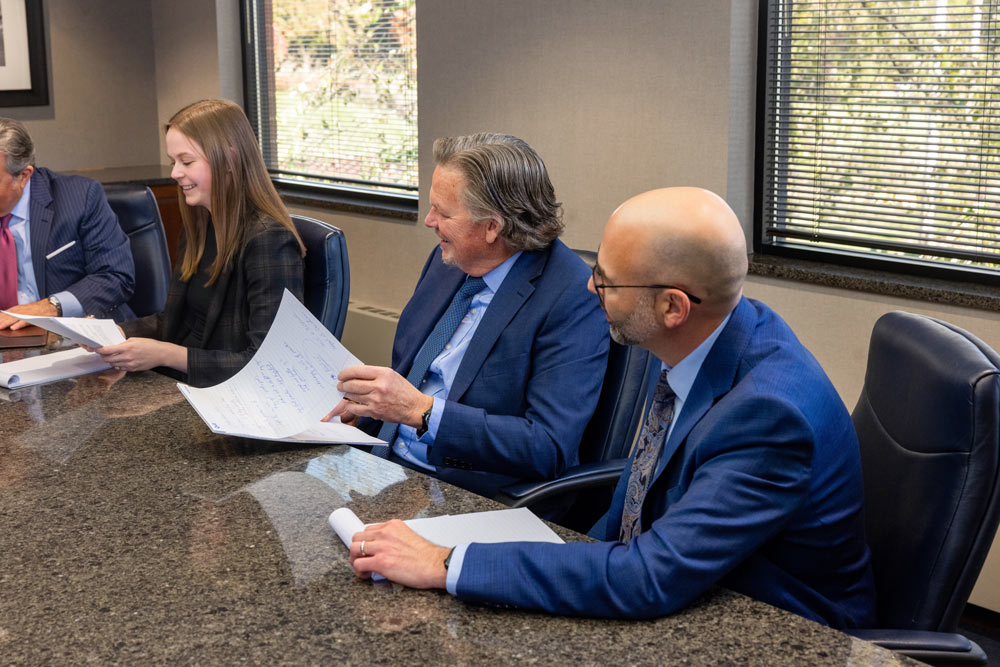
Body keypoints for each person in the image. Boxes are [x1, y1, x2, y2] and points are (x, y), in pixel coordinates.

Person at [344, 187, 877, 629]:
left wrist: (444, 562)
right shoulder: (709, 337)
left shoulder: (768, 415)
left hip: (775, 631)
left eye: (608, 278)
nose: (590, 286)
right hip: (697, 584)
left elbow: (650, 577)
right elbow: (636, 513)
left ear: (673, 306)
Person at [326, 133, 609, 499]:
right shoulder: (450, 260)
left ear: (493, 226)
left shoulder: (571, 296)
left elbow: (547, 446)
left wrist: (422, 412)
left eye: (443, 213)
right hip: (386, 467)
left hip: (467, 492)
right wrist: (370, 406)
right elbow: (417, 375)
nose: (429, 221)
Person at [94, 99, 306, 388]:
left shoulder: (269, 239)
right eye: (173, 161)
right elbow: (175, 320)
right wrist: (117, 331)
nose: (174, 173)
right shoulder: (200, 225)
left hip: (226, 395)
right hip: (182, 384)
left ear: (229, 160)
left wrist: (166, 354)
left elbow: (269, 363)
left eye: (187, 161)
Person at [0, 118, 135, 330]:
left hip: (74, 335)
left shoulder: (80, 198)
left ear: (24, 176)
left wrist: (49, 307)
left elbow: (116, 277)